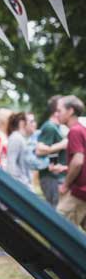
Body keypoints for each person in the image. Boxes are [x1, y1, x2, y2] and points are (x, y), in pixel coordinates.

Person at [56, 95, 86, 230]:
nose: (57, 114)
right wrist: (65, 168)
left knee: (60, 229)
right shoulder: (81, 129)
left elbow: (78, 161)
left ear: (70, 111)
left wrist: (65, 184)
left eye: (60, 110)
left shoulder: (74, 131)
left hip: (79, 192)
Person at [37, 95, 68, 207]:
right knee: (55, 211)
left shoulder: (57, 127)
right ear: (56, 111)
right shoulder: (50, 127)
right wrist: (62, 144)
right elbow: (40, 150)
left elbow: (53, 152)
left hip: (56, 177)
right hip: (51, 178)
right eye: (64, 107)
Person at [5, 112, 32, 189]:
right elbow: (11, 165)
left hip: (24, 184)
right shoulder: (15, 138)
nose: (32, 124)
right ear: (22, 123)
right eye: (29, 121)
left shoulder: (21, 138)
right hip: (20, 185)